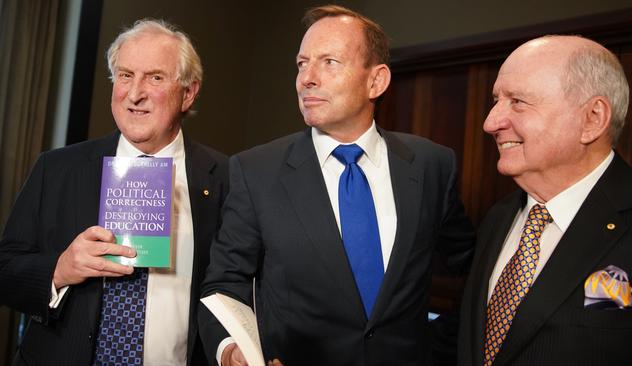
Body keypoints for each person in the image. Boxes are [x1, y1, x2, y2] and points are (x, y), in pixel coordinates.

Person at [198, 5, 474, 366]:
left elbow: (475, 268)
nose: (306, 78)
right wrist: (233, 352)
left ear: (376, 81)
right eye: (301, 63)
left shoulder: (432, 164)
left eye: (329, 62)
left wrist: (444, 344)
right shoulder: (255, 170)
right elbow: (224, 282)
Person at [0, 19, 229, 365]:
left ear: (188, 92)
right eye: (125, 75)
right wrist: (59, 269)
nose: (135, 93)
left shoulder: (228, 179)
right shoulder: (57, 169)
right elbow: (5, 270)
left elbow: (241, 289)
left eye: (155, 77)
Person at [458, 35, 632, 365]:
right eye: (496, 100)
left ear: (592, 119)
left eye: (517, 101)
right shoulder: (498, 217)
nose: (490, 123)